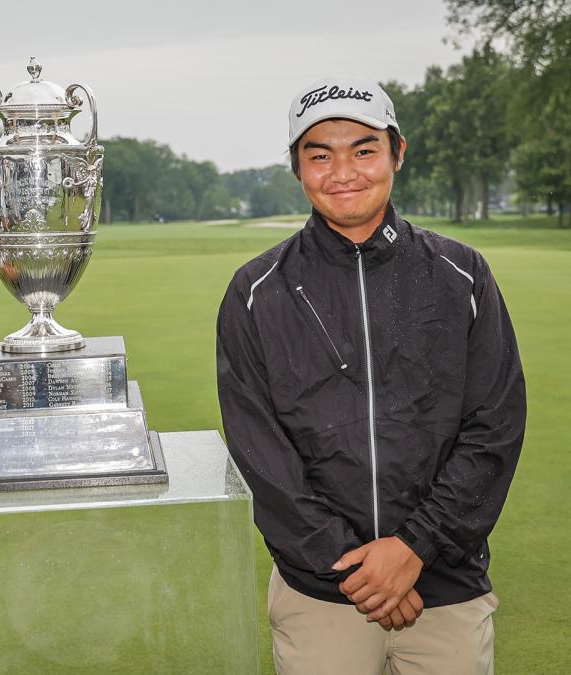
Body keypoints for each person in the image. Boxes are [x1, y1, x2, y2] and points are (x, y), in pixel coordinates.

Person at [216, 76, 526, 674]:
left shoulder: (463, 275)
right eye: (319, 154)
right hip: (323, 595)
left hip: (445, 587)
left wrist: (415, 548)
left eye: (363, 149)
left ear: (397, 153)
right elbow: (261, 451)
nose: (343, 172)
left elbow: (494, 426)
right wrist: (358, 568)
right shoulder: (256, 291)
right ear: (295, 166)